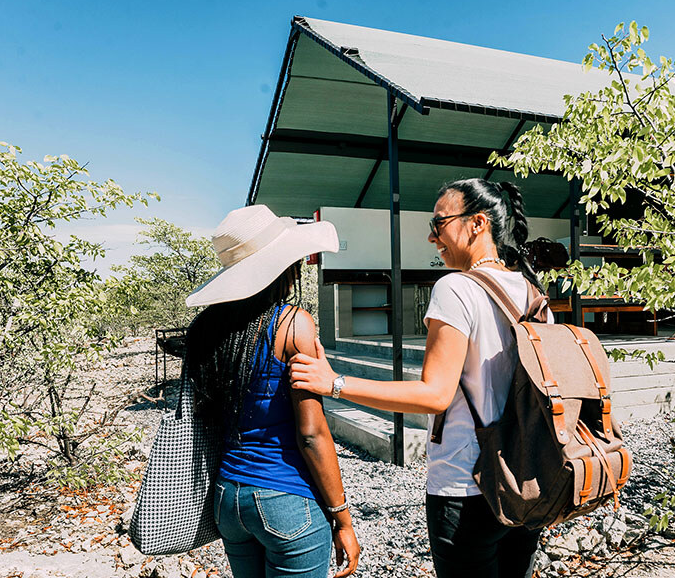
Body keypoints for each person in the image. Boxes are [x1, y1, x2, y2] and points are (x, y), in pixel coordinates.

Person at [290, 178, 552, 578]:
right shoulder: (533, 293)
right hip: (527, 481)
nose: (432, 237)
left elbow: (434, 395)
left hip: (468, 487)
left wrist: (335, 383)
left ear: (478, 223)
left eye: (439, 223)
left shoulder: (456, 288)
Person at [184, 205, 360, 578]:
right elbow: (311, 434)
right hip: (284, 499)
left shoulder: (205, 330)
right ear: (284, 268)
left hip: (227, 499)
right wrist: (342, 519)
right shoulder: (292, 323)